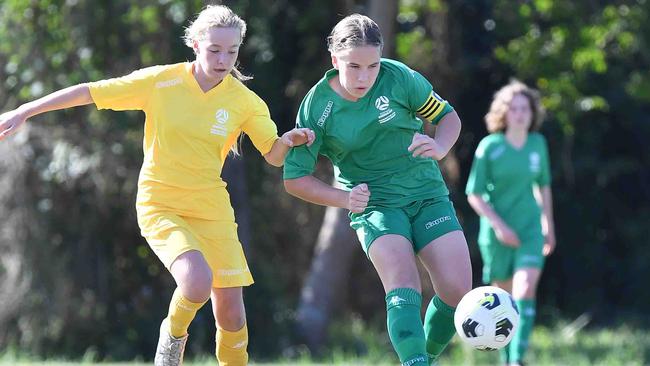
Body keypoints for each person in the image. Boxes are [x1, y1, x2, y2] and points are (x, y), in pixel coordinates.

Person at [0, 5, 314, 366]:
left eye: (232, 51)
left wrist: (288, 141)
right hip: (160, 204)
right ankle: (172, 338)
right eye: (214, 50)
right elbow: (90, 91)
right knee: (196, 283)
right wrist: (24, 110)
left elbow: (272, 154)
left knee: (232, 315)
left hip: (211, 208)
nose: (224, 59)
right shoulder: (161, 82)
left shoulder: (244, 102)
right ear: (195, 44)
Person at [283, 14, 471, 366]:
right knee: (404, 283)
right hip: (376, 206)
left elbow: (448, 117)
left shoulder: (399, 78)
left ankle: (423, 357)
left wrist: (441, 146)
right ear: (334, 59)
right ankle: (415, 361)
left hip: (426, 194)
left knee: (458, 289)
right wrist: (343, 199)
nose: (364, 77)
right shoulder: (317, 107)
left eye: (372, 65)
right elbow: (295, 179)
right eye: (353, 66)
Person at [465, 80, 556, 366]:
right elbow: (474, 194)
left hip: (530, 230)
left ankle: (517, 359)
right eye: (514, 109)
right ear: (504, 113)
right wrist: (499, 226)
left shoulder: (538, 144)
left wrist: (548, 226)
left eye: (525, 108)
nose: (520, 114)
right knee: (503, 303)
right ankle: (506, 359)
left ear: (532, 113)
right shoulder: (490, 147)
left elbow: (543, 186)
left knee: (525, 288)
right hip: (497, 235)